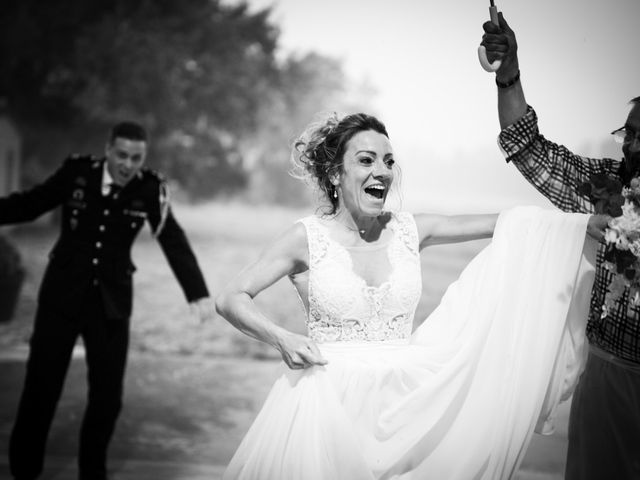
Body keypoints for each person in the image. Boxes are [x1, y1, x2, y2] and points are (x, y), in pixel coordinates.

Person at [215, 112, 603, 480]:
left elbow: (512, 224)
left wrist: (583, 223)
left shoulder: (411, 230)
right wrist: (282, 337)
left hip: (403, 410)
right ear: (336, 174)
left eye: (388, 161)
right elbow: (232, 297)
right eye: (366, 160)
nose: (381, 171)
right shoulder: (306, 238)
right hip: (326, 410)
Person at [2, 121, 214, 480]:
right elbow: (31, 204)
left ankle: (92, 471)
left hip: (111, 305)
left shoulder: (150, 189)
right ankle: (25, 472)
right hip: (61, 299)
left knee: (107, 397)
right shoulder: (77, 173)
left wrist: (197, 292)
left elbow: (172, 238)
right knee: (40, 390)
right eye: (122, 155)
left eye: (136, 157)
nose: (128, 165)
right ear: (108, 150)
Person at [480, 12, 640, 480]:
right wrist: (508, 73)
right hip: (611, 376)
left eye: (635, 134)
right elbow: (529, 149)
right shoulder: (612, 188)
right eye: (626, 133)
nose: (626, 144)